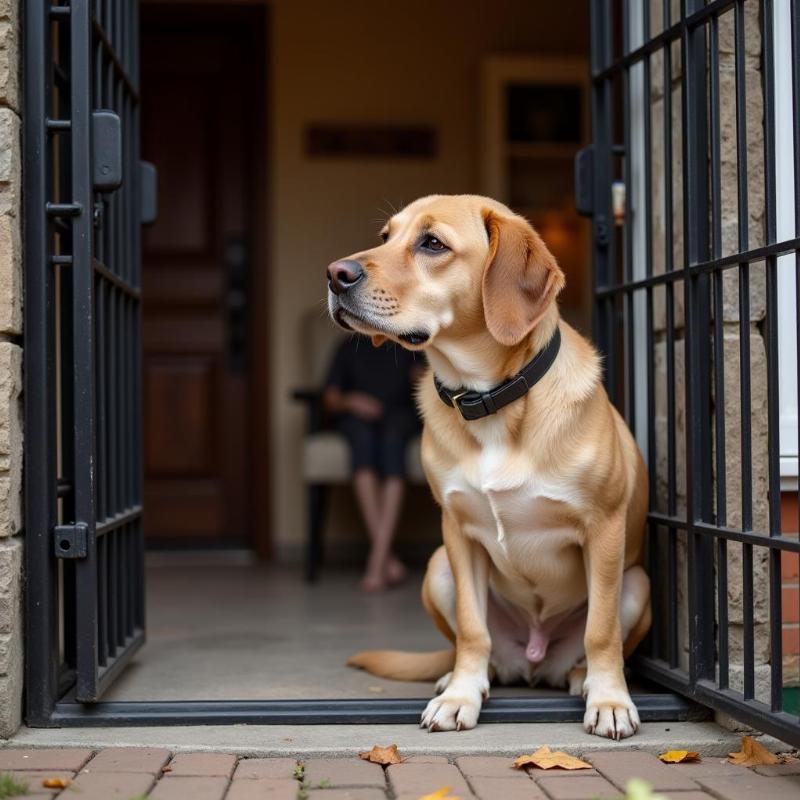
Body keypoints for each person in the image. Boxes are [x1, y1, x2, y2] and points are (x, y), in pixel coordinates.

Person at [323, 335, 422, 592]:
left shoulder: (408, 344)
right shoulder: (348, 346)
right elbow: (331, 398)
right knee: (362, 441)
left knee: (392, 442)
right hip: (359, 420)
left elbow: (428, 384)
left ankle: (376, 561)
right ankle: (384, 559)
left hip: (399, 417)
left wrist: (421, 379)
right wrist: (351, 401)